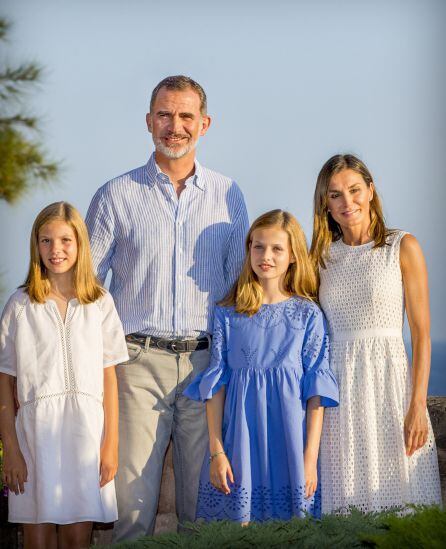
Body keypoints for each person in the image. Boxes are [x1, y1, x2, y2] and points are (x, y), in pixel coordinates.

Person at [85, 75, 249, 540]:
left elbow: (242, 286)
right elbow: (86, 287)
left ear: (204, 123)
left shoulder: (229, 195)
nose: (174, 126)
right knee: (130, 512)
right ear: (148, 121)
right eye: (164, 115)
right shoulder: (115, 194)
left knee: (206, 512)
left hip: (207, 366)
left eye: (185, 116)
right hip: (135, 365)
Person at [184, 210, 339, 523]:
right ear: (248, 250)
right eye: (258, 246)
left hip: (290, 442)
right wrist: (217, 451)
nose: (265, 256)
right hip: (239, 440)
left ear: (293, 255)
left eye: (276, 249)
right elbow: (216, 387)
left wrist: (309, 458)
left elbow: (316, 394)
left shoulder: (308, 315)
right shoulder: (228, 313)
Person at [310, 154, 442, 513]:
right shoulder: (320, 257)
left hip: (391, 389)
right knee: (346, 503)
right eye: (335, 194)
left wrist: (417, 405)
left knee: (404, 500)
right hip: (338, 396)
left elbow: (421, 333)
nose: (347, 202)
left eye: (354, 190)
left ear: (371, 191)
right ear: (325, 203)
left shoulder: (403, 246)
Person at [0, 202, 128, 549]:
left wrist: (110, 446)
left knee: (76, 538)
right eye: (46, 241)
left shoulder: (99, 303)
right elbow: (5, 381)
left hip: (86, 435)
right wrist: (10, 449)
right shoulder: (19, 305)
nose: (55, 250)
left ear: (80, 244)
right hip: (35, 435)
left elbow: (109, 380)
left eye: (65, 241)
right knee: (37, 538)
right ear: (35, 246)